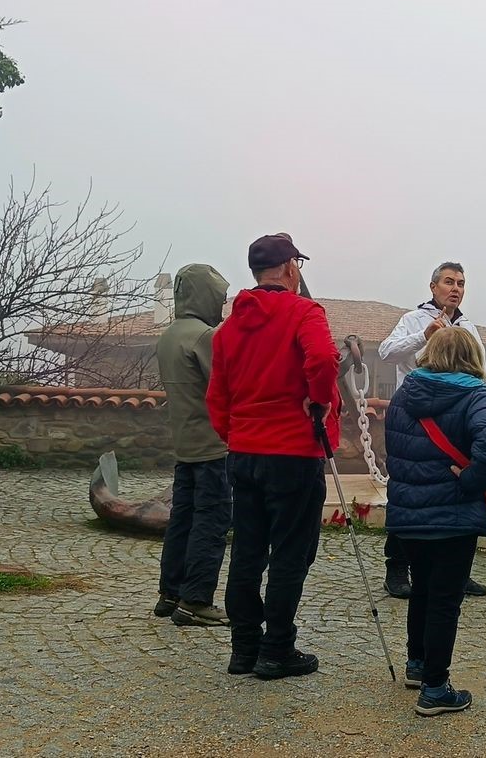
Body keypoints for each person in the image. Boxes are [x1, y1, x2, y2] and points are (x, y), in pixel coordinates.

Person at [206, 233, 341, 680]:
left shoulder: (228, 330)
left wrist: (235, 433)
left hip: (244, 451)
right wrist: (319, 400)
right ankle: (276, 650)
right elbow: (322, 359)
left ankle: (243, 649)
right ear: (289, 268)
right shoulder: (305, 311)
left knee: (246, 552)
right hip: (293, 451)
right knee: (289, 553)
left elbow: (217, 396)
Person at [377, 261, 486, 600]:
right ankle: (397, 568)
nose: (456, 288)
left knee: (461, 495)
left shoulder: (467, 327)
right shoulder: (414, 320)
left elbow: (474, 370)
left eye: (461, 283)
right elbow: (386, 352)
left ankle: (458, 570)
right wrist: (425, 335)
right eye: (449, 281)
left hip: (457, 420)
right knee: (411, 491)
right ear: (433, 287)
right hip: (419, 420)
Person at [384, 327, 486, 717]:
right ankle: (436, 689)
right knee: (444, 602)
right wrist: (471, 481)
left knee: (421, 590)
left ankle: (417, 664)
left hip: (409, 515)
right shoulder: (474, 395)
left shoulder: (404, 395)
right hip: (453, 515)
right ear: (471, 356)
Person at [154, 264, 233, 627]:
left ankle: (169, 593)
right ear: (206, 295)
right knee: (211, 522)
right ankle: (196, 599)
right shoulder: (203, 336)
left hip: (185, 444)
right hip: (213, 447)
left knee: (181, 520)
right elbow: (227, 384)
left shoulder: (170, 335)